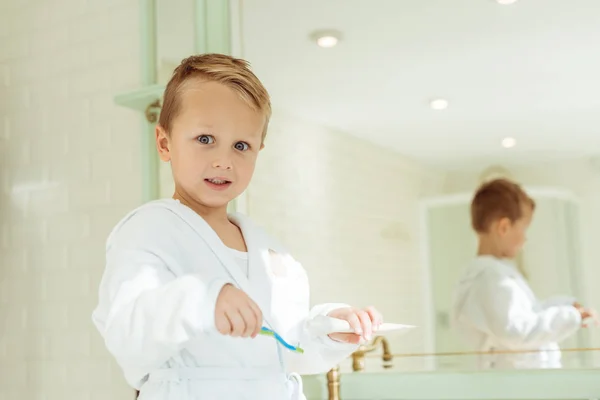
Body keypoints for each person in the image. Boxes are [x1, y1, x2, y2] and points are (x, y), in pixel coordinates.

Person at [91, 53, 383, 400]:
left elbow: (287, 348)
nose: (223, 160)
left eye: (241, 145)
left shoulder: (272, 252)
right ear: (165, 143)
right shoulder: (149, 231)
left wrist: (329, 330)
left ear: (259, 149)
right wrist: (202, 299)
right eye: (204, 139)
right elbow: (128, 331)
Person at [451, 178, 597, 369]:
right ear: (503, 227)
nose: (525, 238)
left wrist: (566, 306)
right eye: (524, 229)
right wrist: (570, 317)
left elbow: (528, 315)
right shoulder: (491, 279)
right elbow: (518, 332)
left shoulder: (493, 276)